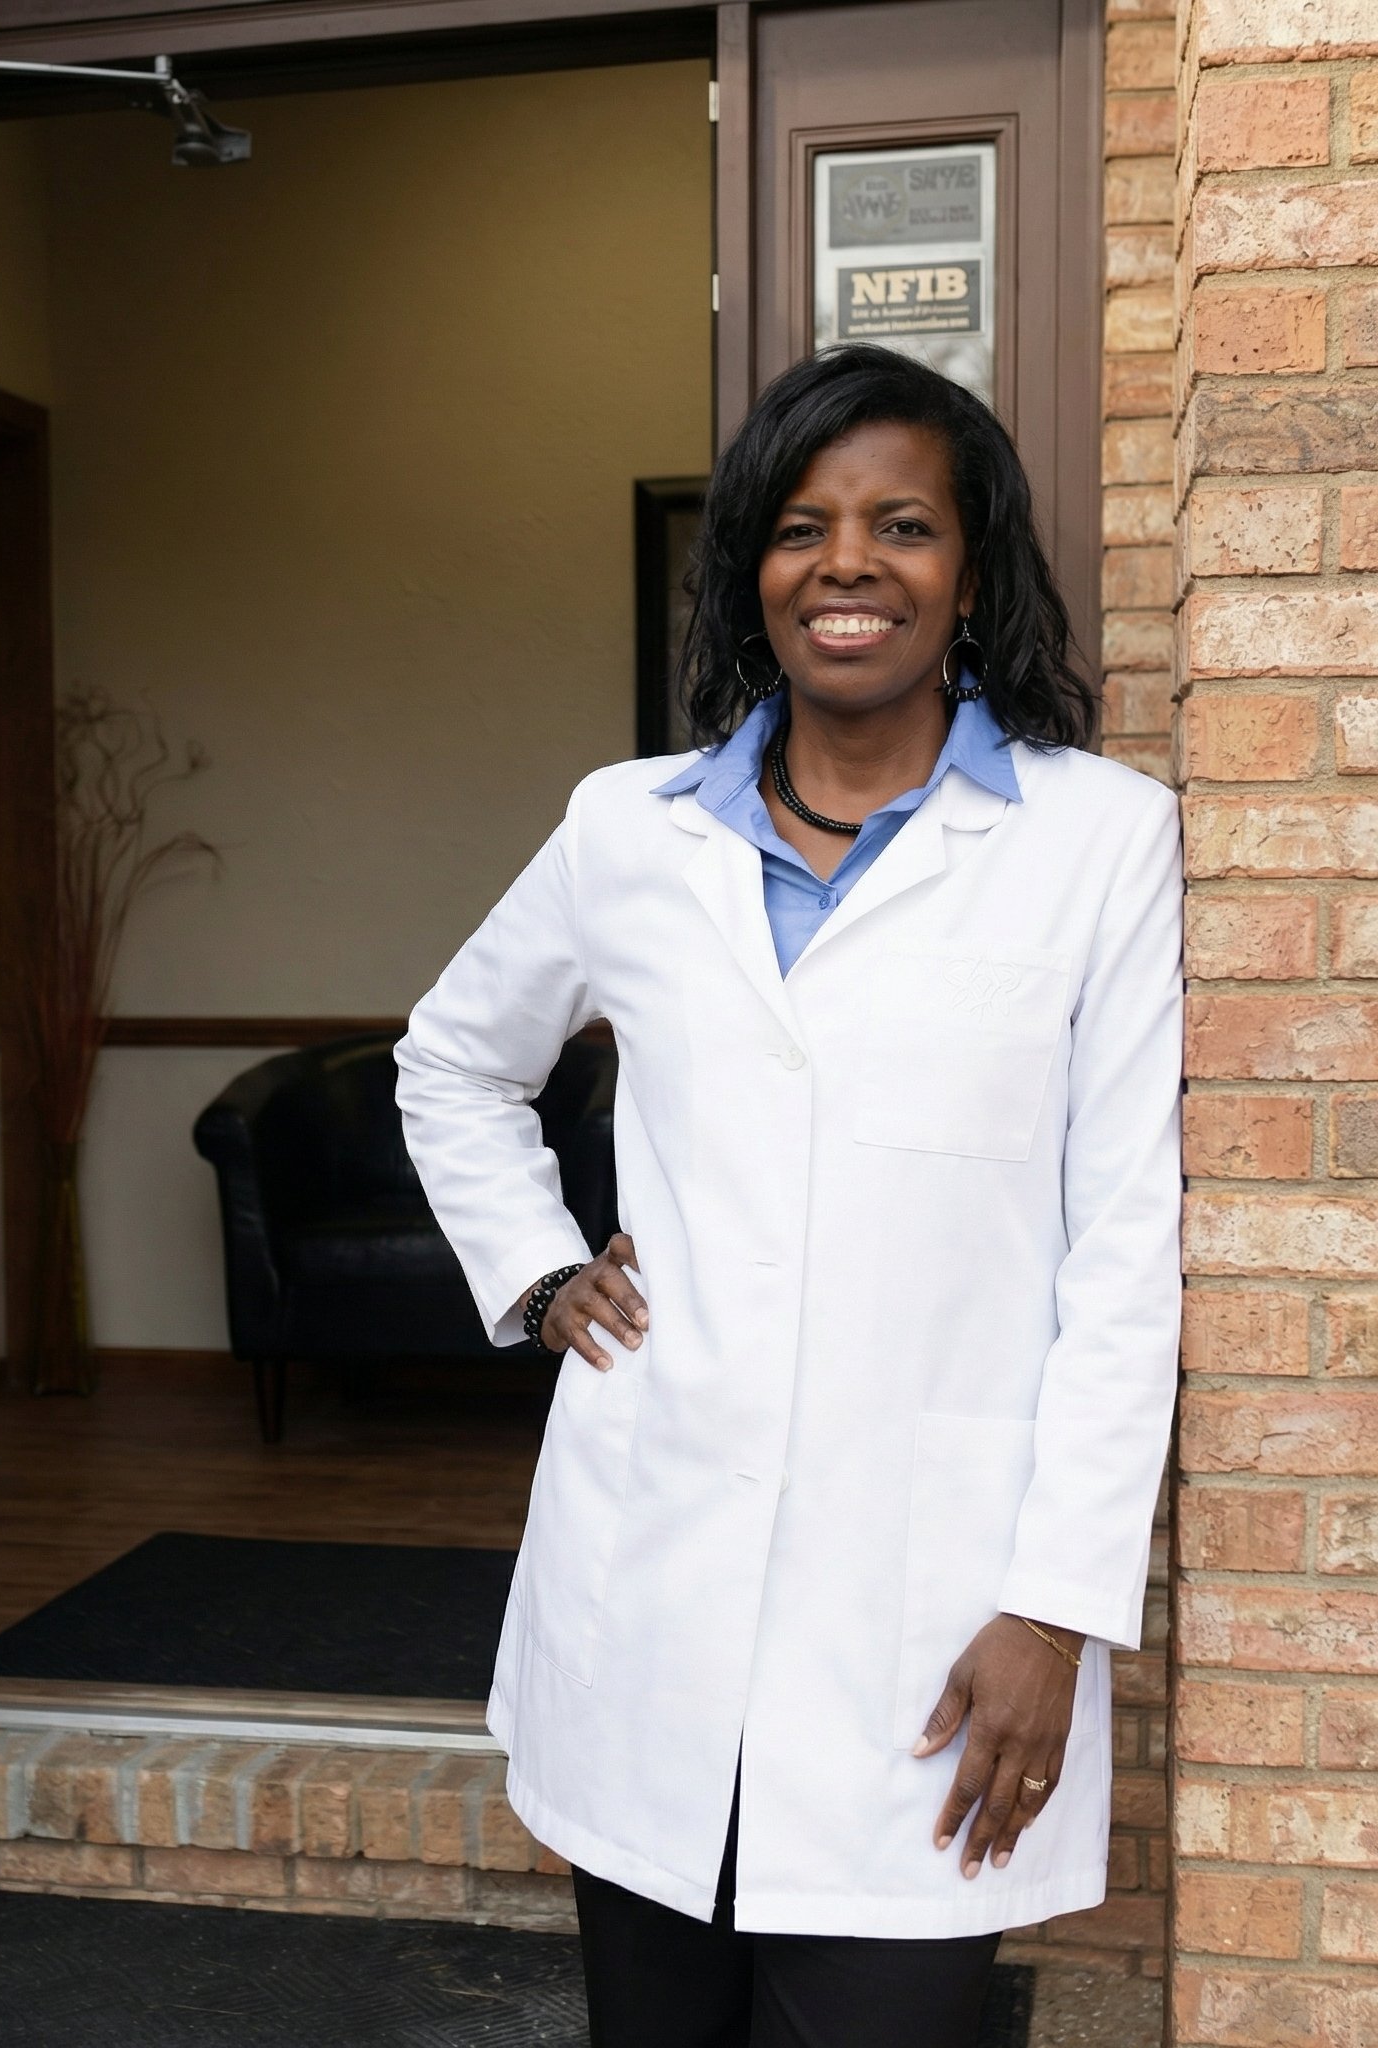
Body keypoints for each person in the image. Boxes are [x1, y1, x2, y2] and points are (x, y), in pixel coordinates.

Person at [394, 344, 1180, 2048]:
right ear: (752, 570)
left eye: (903, 524)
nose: (850, 564)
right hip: (653, 1573)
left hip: (929, 1619)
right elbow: (451, 1061)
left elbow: (1127, 1250)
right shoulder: (628, 832)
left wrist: (1055, 1608)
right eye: (803, 526)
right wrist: (538, 1272)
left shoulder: (1098, 844)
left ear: (971, 573)